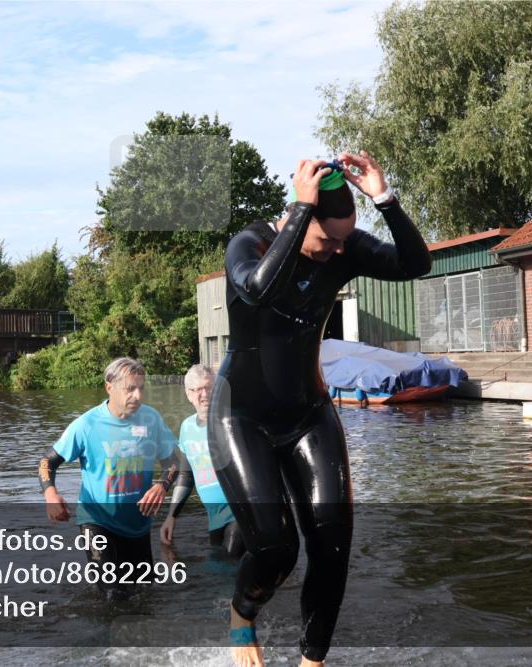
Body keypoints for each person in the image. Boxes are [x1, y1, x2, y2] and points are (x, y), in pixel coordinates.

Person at [211, 151, 431, 667]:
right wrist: (299, 211)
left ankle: (313, 660)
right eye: (326, 239)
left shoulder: (345, 247)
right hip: (242, 416)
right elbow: (259, 288)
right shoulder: (250, 243)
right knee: (276, 549)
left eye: (342, 240)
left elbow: (416, 264)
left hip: (309, 413)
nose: (337, 251)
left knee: (332, 547)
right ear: (296, 217)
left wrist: (386, 200)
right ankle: (242, 614)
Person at [39, 357, 179, 601]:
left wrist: (162, 485)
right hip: (97, 520)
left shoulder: (151, 419)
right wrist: (50, 494)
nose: (137, 396)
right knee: (112, 595)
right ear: (109, 388)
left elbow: (173, 461)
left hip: (138, 524)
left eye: (141, 388)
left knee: (144, 595)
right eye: (130, 389)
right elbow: (46, 462)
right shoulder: (86, 425)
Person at [160, 364, 245, 558]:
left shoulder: (233, 420)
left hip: (240, 512)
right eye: (197, 389)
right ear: (188, 395)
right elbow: (186, 475)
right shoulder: (187, 427)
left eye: (209, 387)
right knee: (219, 570)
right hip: (214, 518)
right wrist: (171, 516)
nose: (204, 394)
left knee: (226, 566)